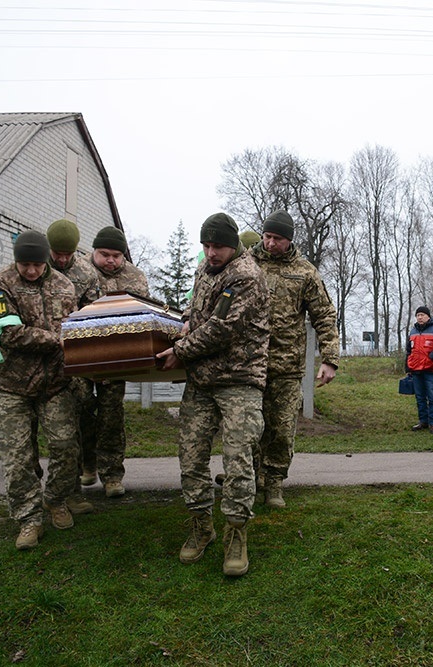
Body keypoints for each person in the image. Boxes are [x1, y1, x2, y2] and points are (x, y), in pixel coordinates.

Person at [157, 213, 269, 576]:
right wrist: (185, 321)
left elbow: (222, 328)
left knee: (238, 459)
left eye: (217, 246)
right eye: (206, 245)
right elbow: (197, 308)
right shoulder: (205, 269)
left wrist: (181, 350)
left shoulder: (246, 276)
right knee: (191, 457)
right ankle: (201, 525)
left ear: (232, 244)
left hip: (239, 379)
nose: (210, 252)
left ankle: (236, 532)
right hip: (202, 381)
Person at [0, 231, 79, 550]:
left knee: (66, 446)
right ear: (16, 260)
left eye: (37, 264)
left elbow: (75, 326)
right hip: (10, 383)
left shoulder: (64, 285)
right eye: (25, 265)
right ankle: (28, 519)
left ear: (46, 259)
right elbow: (7, 332)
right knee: (18, 457)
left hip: (54, 382)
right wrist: (54, 340)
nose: (32, 271)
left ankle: (55, 500)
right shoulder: (0, 285)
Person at [249, 210, 340, 508]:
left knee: (281, 428)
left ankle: (274, 482)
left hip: (286, 366)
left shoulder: (305, 272)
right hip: (247, 364)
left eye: (277, 238)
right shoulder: (246, 264)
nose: (271, 243)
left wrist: (329, 358)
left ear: (289, 240)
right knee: (247, 426)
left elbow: (324, 315)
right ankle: (249, 477)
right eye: (267, 237)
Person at [88, 226, 151, 499]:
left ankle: (112, 475)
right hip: (82, 357)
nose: (111, 261)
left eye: (116, 256)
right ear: (94, 251)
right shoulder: (80, 272)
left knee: (111, 417)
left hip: (116, 359)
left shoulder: (135, 276)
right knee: (80, 410)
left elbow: (143, 311)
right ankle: (86, 461)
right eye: (104, 255)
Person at [45, 220, 103, 511]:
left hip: (72, 359)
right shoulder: (33, 265)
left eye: (67, 254)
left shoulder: (85, 272)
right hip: (37, 360)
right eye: (57, 253)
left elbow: (95, 313)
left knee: (78, 420)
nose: (62, 259)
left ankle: (73, 487)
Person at [405, 306, 433, 434]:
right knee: (420, 397)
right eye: (418, 315)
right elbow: (409, 350)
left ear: (428, 316)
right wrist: (407, 366)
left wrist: (431, 357)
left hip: (431, 369)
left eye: (422, 315)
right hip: (416, 369)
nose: (420, 317)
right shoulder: (413, 331)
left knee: (432, 396)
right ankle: (423, 421)